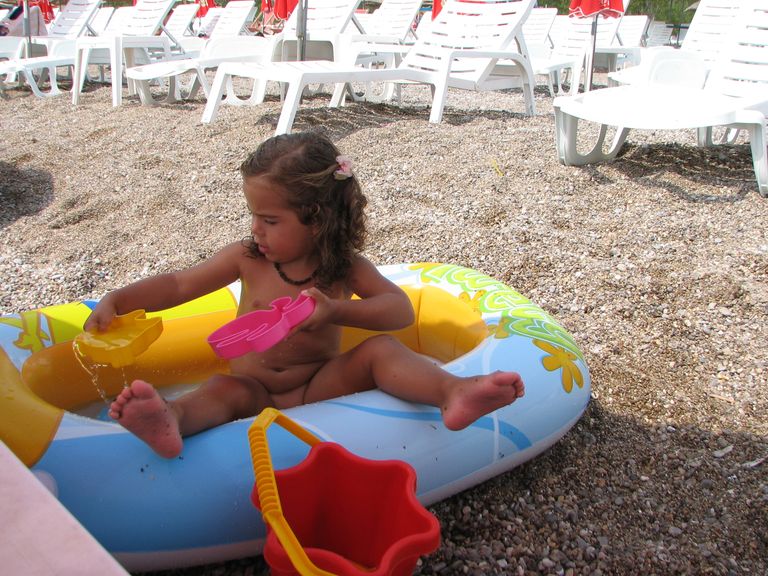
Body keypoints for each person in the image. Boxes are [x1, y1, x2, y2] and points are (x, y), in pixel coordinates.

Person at [85, 132, 525, 459]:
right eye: (254, 216)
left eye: (270, 220)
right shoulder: (247, 258)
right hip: (252, 388)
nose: (256, 229)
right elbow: (180, 284)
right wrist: (119, 300)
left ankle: (452, 391)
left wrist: (335, 311)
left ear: (316, 219)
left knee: (381, 350)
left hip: (317, 386)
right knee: (220, 387)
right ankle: (171, 419)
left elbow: (399, 310)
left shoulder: (343, 266)